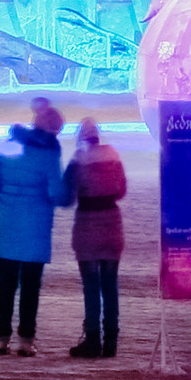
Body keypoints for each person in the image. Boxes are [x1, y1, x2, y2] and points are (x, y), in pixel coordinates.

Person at [0, 97, 70, 356]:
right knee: (30, 288)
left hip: (7, 226)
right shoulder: (49, 154)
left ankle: (1, 339)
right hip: (36, 228)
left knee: (5, 285)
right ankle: (25, 340)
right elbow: (57, 192)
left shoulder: (9, 145)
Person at [63, 117, 128, 358]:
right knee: (110, 286)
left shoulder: (77, 161)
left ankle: (92, 339)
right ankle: (111, 341)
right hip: (112, 224)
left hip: (87, 226)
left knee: (91, 286)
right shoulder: (113, 156)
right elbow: (121, 190)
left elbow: (66, 195)